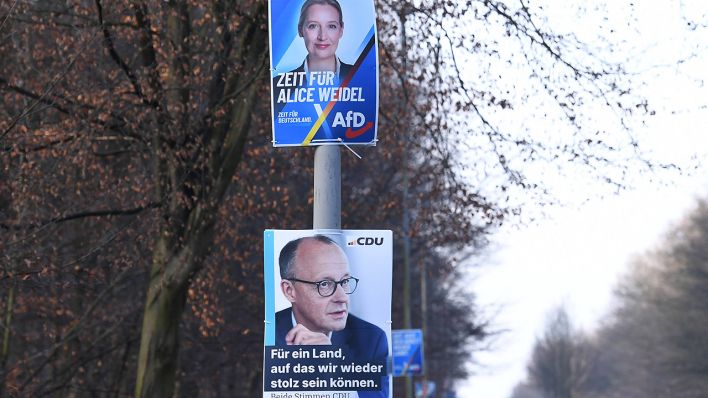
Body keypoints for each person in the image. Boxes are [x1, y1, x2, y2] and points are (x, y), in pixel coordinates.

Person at [276, 235, 389, 397]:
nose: (342, 297)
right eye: (324, 284)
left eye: (345, 281)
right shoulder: (267, 334)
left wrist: (333, 366)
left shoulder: (370, 340)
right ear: (289, 290)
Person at [272, 0, 353, 117]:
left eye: (331, 26)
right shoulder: (279, 86)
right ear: (300, 30)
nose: (322, 36)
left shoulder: (360, 78)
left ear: (341, 30)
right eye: (313, 26)